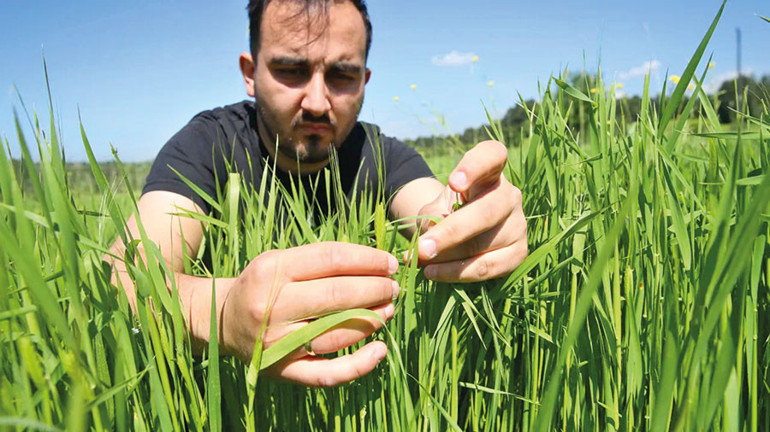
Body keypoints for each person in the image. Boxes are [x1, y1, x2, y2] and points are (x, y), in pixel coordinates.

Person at [109, 0, 527, 388]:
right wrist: (222, 315)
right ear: (250, 73)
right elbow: (124, 279)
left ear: (364, 81)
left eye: (341, 75)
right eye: (291, 70)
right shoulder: (207, 145)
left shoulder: (378, 156)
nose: (316, 101)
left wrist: (474, 218)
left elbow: (436, 215)